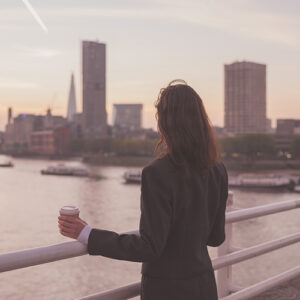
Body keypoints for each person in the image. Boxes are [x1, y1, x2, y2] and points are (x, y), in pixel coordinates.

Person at [58, 79, 228, 300]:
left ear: (164, 123)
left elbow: (149, 247)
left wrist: (87, 234)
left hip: (168, 292)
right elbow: (216, 238)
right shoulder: (218, 168)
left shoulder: (157, 172)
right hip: (204, 285)